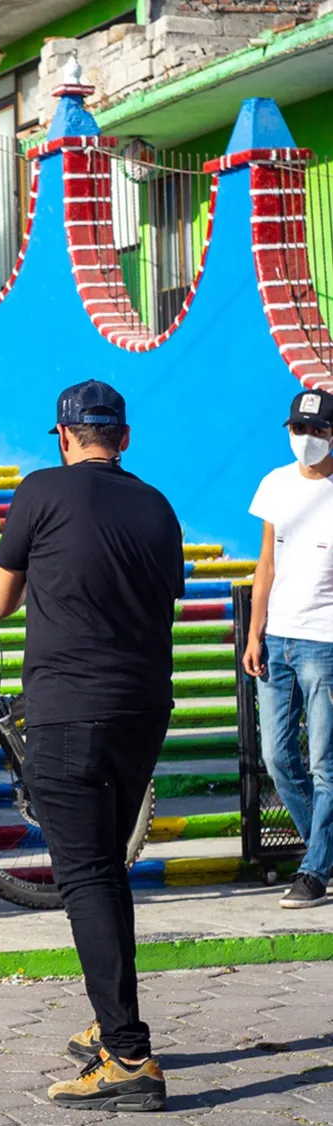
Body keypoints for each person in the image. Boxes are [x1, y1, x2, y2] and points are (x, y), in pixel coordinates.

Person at [0, 379, 184, 1111]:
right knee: (104, 870)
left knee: (85, 877)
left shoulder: (41, 489)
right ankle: (114, 1025)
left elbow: (0, 600)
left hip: (70, 708)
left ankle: (129, 1056)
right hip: (142, 708)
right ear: (123, 439)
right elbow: (162, 595)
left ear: (63, 437)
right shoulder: (158, 507)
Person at [243, 388, 333, 910]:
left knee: (325, 762)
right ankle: (322, 853)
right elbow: (266, 565)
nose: (307, 440)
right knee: (279, 758)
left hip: (325, 642)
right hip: (278, 637)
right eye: (299, 430)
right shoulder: (275, 484)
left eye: (318, 431)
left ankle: (316, 868)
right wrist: (256, 633)